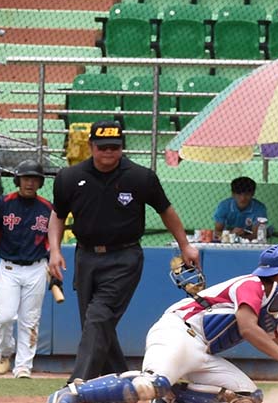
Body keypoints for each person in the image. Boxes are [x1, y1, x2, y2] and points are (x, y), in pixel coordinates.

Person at [47, 242, 278, 403]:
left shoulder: (270, 297)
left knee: (248, 399)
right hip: (178, 333)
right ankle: (75, 393)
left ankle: (174, 392)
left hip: (201, 351)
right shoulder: (251, 285)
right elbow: (248, 329)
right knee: (150, 384)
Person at [48, 120, 200, 384]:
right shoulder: (69, 178)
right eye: (103, 147)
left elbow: (166, 210)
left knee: (98, 315)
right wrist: (55, 250)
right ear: (91, 146)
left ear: (122, 147)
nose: (108, 153)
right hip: (86, 256)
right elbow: (58, 216)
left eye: (114, 147)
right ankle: (120, 380)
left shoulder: (140, 177)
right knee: (96, 322)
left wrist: (184, 244)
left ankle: (78, 382)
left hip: (124, 257)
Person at [0, 159, 54, 379]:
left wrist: (54, 271)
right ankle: (5, 351)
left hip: (37, 268)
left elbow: (51, 241)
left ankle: (23, 367)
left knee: (30, 320)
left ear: (40, 182)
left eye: (34, 179)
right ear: (18, 180)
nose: (30, 182)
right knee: (4, 316)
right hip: (9, 268)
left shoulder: (48, 208)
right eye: (26, 178)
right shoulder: (3, 203)